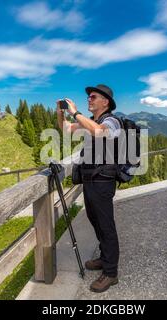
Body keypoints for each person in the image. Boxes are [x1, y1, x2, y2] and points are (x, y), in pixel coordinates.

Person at [56, 84, 122, 293]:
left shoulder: (112, 121)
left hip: (103, 180)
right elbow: (66, 129)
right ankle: (104, 258)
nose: (89, 99)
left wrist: (75, 112)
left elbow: (100, 133)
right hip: (90, 180)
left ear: (105, 102)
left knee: (106, 224)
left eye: (93, 97)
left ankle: (111, 274)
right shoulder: (90, 122)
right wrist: (61, 113)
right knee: (95, 221)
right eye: (88, 97)